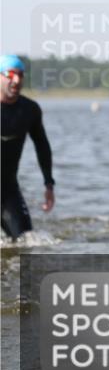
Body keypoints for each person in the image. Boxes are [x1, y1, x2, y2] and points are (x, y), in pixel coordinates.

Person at [1, 55, 56, 240]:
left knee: (26, 244)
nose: (16, 80)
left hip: (8, 190)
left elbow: (42, 146)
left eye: (20, 75)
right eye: (10, 74)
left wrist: (49, 184)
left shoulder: (29, 110)